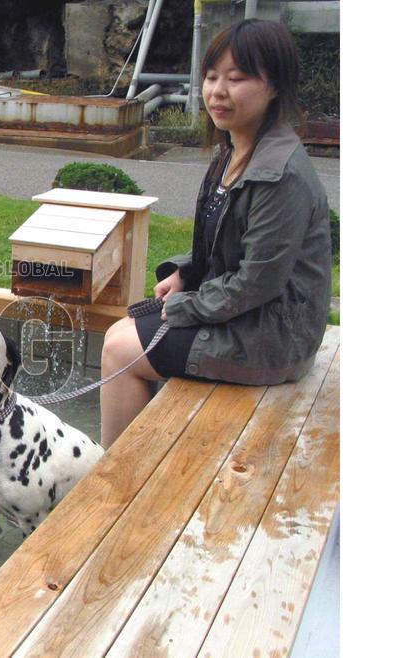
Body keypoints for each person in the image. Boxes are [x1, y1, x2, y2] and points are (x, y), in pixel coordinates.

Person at [99, 19, 332, 448]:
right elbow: (222, 247)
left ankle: (115, 482)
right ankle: (139, 454)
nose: (217, 91)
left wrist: (187, 307)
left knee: (118, 352)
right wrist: (185, 275)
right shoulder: (232, 150)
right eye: (211, 77)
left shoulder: (280, 175)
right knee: (119, 330)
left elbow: (256, 282)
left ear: (275, 86)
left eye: (237, 78)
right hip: (245, 315)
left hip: (272, 335)